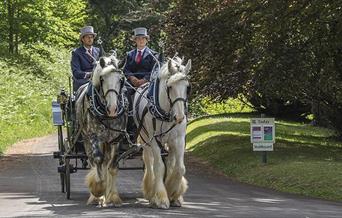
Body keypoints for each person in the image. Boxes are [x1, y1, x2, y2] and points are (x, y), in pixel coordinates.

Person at [123, 27, 160, 143]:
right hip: (132, 84)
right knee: (124, 96)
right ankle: (128, 125)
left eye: (143, 38)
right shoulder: (129, 54)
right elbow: (126, 69)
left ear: (146, 40)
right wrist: (132, 78)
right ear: (135, 41)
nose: (141, 41)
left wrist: (144, 80)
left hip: (147, 83)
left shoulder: (153, 54)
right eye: (138, 39)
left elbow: (155, 70)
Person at [71, 26, 102, 92]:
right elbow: (76, 72)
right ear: (82, 39)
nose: (90, 39)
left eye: (91, 37)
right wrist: (89, 74)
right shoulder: (76, 53)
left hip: (97, 79)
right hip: (83, 81)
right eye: (88, 37)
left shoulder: (98, 51)